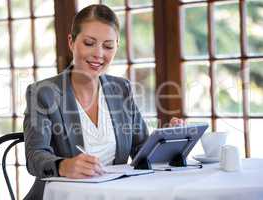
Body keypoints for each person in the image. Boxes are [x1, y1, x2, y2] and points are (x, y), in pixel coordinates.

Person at [23, 4, 184, 199]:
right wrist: (64, 166)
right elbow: (34, 156)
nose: (99, 54)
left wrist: (168, 140)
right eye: (89, 43)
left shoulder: (121, 89)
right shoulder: (43, 93)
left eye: (108, 46)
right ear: (71, 42)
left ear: (117, 46)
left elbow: (141, 150)